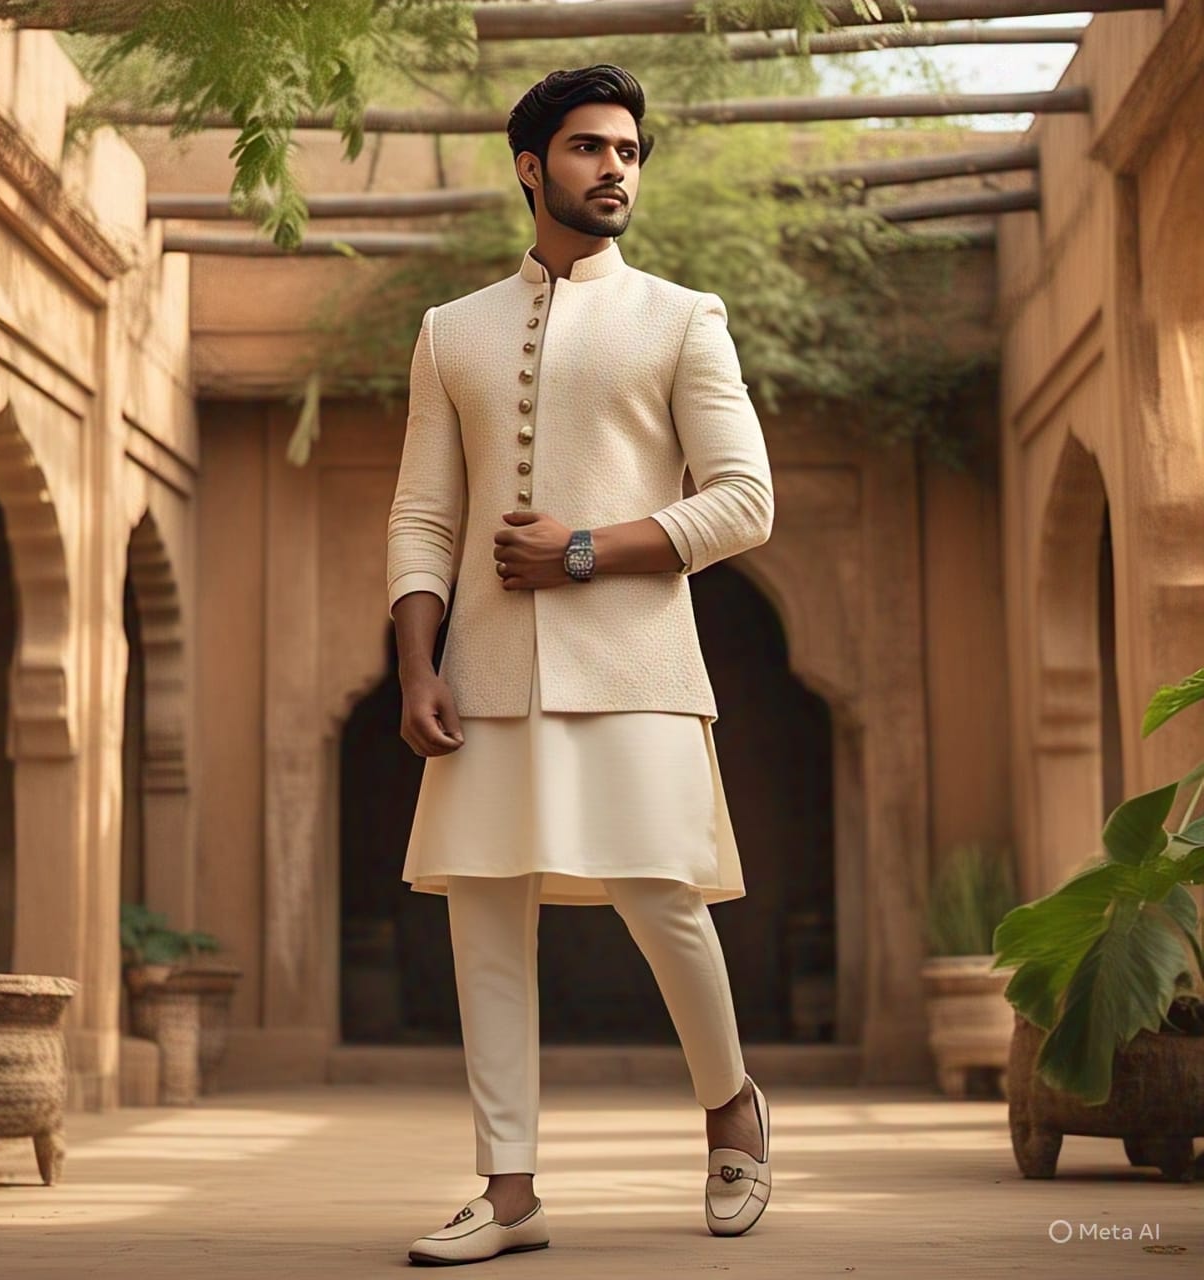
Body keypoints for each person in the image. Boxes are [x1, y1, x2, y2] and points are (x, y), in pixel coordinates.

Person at [386, 64, 775, 1267]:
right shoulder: (451, 331)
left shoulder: (679, 315)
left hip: (641, 665)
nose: (616, 167)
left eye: (629, 150)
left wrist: (588, 548)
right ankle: (508, 1190)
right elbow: (420, 515)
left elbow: (746, 502)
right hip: (486, 671)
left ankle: (730, 1108)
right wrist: (415, 663)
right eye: (590, 147)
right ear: (529, 165)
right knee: (484, 916)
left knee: (663, 898)